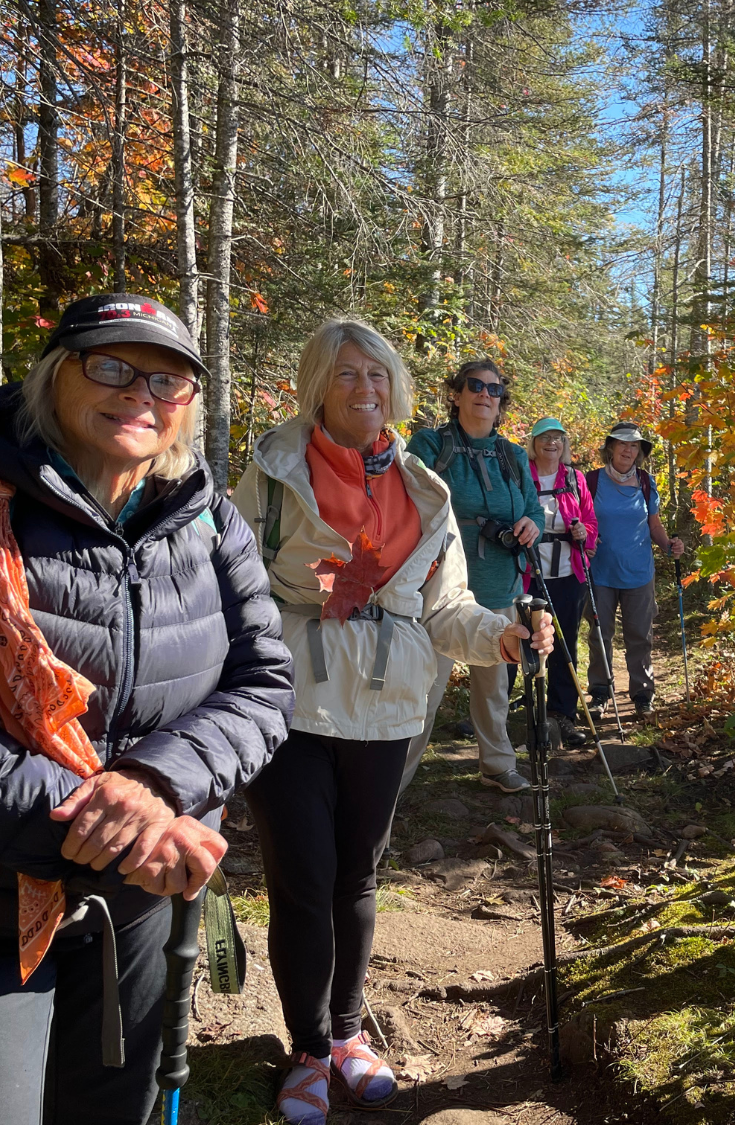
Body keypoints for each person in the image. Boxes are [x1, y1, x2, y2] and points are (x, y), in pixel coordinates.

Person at [0, 293, 295, 1125]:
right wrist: (117, 831)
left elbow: (265, 685)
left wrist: (157, 783)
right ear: (54, 377)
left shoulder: (210, 525)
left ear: (187, 407)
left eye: (168, 380)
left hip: (135, 917)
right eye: (110, 366)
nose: (139, 393)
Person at [233, 322, 551, 1124]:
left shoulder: (423, 488)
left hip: (390, 711)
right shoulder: (271, 473)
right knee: (302, 879)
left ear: (396, 386)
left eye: (377, 374)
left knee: (357, 876)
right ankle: (308, 1049)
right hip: (293, 703)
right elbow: (228, 584)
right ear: (318, 383)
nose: (365, 389)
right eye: (347, 375)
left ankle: (347, 1033)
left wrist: (503, 632)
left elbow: (445, 609)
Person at [401, 359, 544, 794]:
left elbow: (534, 511)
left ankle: (497, 765)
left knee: (494, 687)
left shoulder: (513, 455)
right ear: (457, 393)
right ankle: (389, 783)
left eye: (494, 390)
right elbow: (403, 503)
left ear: (502, 403)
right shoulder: (428, 445)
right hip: (437, 593)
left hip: (501, 584)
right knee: (421, 694)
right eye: (475, 386)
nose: (485, 394)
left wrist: (531, 525)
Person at [585, 421, 684, 717]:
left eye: (633, 445)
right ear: (611, 447)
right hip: (600, 570)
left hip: (639, 572)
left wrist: (669, 545)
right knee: (600, 634)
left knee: (640, 635)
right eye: (622, 443)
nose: (628, 450)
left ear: (639, 451)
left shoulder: (645, 482)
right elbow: (583, 521)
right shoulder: (591, 481)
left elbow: (653, 524)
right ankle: (600, 692)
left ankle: (642, 693)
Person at [522, 417, 598, 747]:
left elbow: (591, 523)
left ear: (564, 443)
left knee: (564, 645)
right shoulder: (522, 474)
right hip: (528, 573)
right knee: (522, 642)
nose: (551, 443)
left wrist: (584, 532)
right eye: (544, 437)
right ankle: (516, 713)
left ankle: (562, 715)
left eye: (557, 438)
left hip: (568, 574)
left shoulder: (575, 478)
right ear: (534, 443)